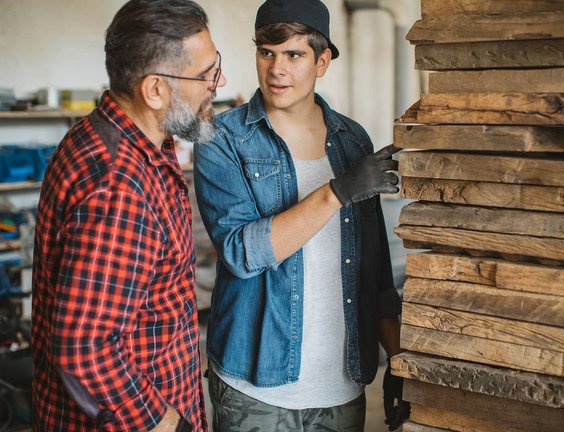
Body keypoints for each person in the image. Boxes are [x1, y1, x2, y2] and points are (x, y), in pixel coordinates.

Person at [193, 0, 408, 430]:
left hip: (342, 385)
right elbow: (240, 253)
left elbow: (376, 269)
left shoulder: (352, 140)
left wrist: (398, 360)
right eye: (266, 52)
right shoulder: (222, 139)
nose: (277, 69)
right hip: (255, 388)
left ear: (322, 60)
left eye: (294, 54)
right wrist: (337, 192)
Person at [31, 0, 225, 430]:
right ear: (155, 89)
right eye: (207, 73)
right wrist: (163, 421)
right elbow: (87, 345)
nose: (220, 81)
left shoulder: (119, 136)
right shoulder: (119, 183)